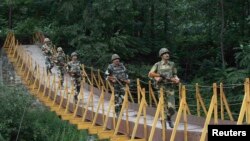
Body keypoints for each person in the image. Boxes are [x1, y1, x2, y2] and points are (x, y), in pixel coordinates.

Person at [148, 48, 180, 128]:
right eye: (165, 53)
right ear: (161, 56)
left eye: (167, 53)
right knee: (163, 105)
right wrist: (158, 77)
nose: (167, 55)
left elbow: (175, 74)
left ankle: (168, 117)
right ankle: (163, 122)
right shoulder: (157, 64)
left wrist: (177, 79)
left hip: (170, 88)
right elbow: (150, 74)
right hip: (161, 88)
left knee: (172, 108)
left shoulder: (172, 64)